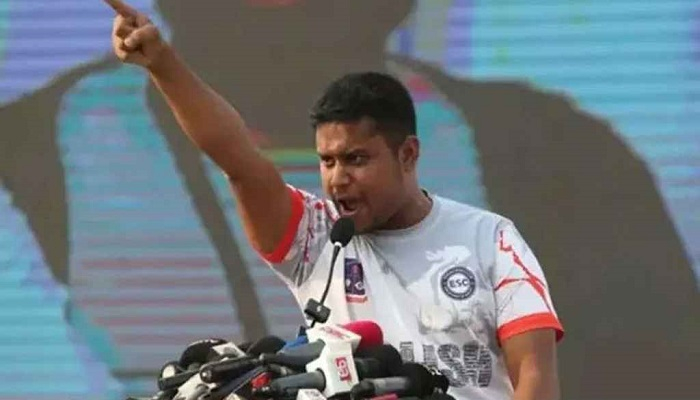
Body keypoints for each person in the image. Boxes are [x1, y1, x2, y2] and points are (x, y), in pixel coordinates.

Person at [104, 1, 564, 400]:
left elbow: (534, 373)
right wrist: (163, 64)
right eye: (327, 161)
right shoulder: (316, 235)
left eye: (356, 159)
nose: (338, 179)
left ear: (408, 154)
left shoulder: (491, 239)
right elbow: (238, 161)